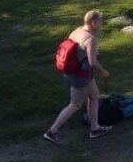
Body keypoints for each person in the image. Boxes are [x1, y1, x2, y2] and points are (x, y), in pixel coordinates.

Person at [43, 10, 112, 144]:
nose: (101, 24)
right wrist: (103, 72)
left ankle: (95, 129)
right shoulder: (90, 39)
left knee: (94, 96)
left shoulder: (77, 31)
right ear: (93, 22)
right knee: (75, 104)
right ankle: (52, 131)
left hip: (72, 72)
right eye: (100, 22)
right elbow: (92, 62)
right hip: (80, 76)